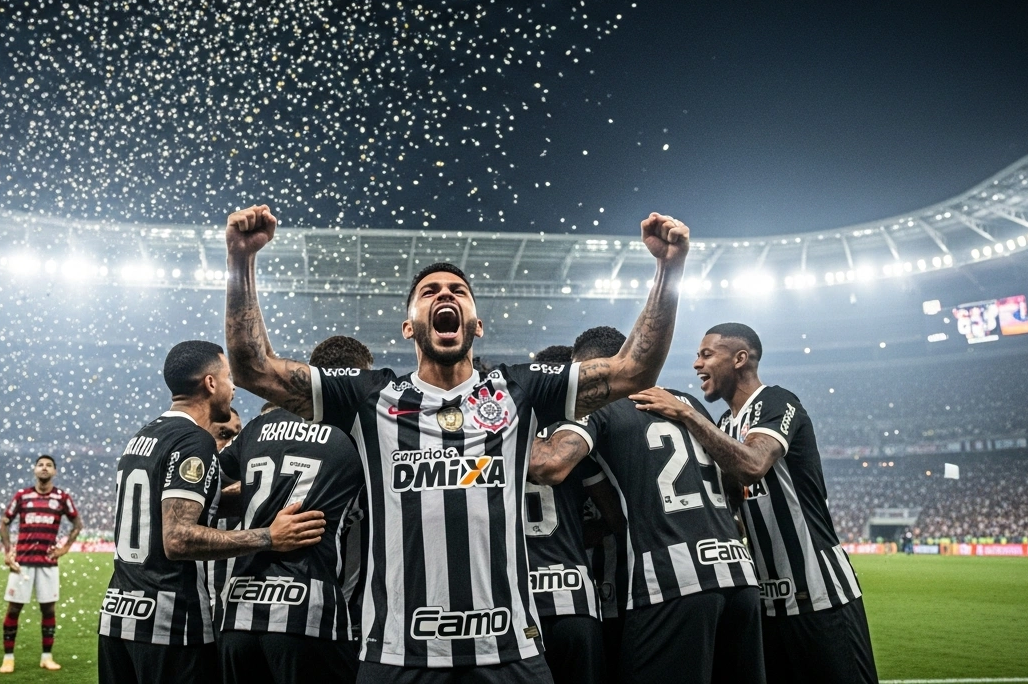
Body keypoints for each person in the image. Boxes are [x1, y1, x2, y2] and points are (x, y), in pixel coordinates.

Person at [224, 203, 690, 682]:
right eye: (429, 292)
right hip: (399, 655)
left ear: (477, 324)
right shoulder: (370, 396)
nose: (445, 294)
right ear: (409, 326)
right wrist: (241, 261)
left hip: (509, 652)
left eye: (458, 291)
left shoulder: (520, 389)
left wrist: (668, 270)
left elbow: (634, 370)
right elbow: (254, 370)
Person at [634, 323, 876, 684]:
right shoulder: (722, 425)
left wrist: (686, 413)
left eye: (706, 354)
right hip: (766, 604)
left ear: (739, 359)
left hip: (820, 595)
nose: (697, 364)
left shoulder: (776, 401)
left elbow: (752, 465)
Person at [531, 326, 764, 684]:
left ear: (592, 369)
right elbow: (733, 484)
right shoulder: (687, 402)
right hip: (740, 577)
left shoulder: (598, 406)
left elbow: (551, 465)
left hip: (673, 581)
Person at [98, 340, 328, 684]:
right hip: (169, 623)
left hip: (117, 616)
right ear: (210, 383)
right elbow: (178, 539)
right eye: (229, 378)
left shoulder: (143, 436)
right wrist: (269, 537)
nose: (233, 388)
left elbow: (195, 501)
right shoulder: (194, 441)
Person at [215, 335, 374, 684]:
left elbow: (206, 485)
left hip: (237, 617)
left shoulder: (258, 427)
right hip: (308, 614)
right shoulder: (356, 433)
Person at [522, 343, 626, 684]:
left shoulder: (494, 438)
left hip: (517, 605)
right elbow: (615, 517)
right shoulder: (574, 441)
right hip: (574, 598)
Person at [0, 455, 84, 673]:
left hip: (48, 563)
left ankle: (46, 657)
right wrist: (8, 552)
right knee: (14, 608)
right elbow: (4, 523)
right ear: (35, 469)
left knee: (48, 609)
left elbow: (77, 523)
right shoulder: (22, 496)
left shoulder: (62, 497)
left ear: (54, 471)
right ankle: (8, 658)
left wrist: (65, 548)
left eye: (49, 465)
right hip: (22, 562)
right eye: (41, 465)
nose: (44, 468)